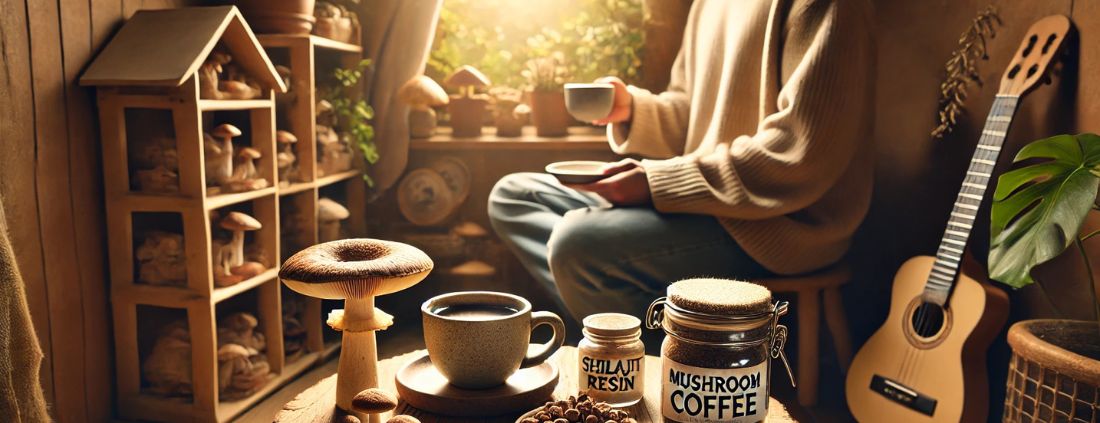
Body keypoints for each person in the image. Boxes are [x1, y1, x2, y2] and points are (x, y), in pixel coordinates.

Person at [489, 0, 875, 322]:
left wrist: (656, 184)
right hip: (709, 205)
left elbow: (800, 154)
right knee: (514, 196)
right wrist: (633, 110)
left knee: (577, 244)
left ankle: (671, 361)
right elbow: (693, 115)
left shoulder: (826, 6)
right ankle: (628, 337)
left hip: (782, 227)